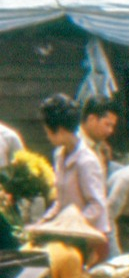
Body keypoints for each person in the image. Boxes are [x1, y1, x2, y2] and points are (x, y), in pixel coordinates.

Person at [38, 95, 112, 245]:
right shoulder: (60, 155)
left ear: (59, 130)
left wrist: (70, 225)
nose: (47, 136)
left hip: (91, 239)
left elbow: (97, 206)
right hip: (70, 237)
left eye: (47, 131)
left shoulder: (86, 160)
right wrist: (44, 221)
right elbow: (61, 201)